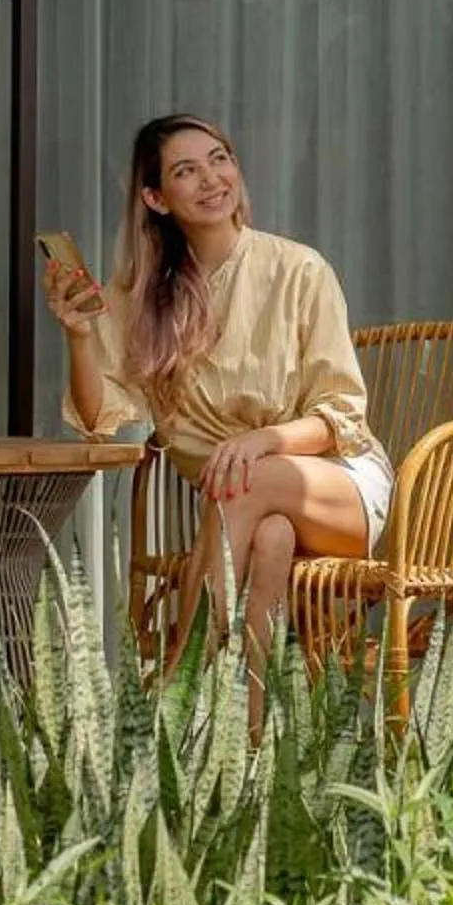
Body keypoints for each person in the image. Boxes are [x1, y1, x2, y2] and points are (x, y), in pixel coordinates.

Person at [46, 114, 391, 722]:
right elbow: (100, 417)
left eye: (220, 159)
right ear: (155, 198)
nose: (211, 178)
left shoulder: (299, 270)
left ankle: (178, 688)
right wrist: (78, 337)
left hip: (338, 485)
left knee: (247, 480)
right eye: (186, 171)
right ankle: (252, 741)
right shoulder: (141, 297)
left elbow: (341, 418)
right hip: (246, 506)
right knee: (270, 539)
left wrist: (260, 442)